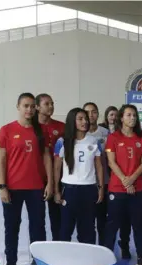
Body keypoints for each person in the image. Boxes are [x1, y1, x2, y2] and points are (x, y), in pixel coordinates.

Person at [0, 92, 53, 265]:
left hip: (36, 188)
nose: (29, 109)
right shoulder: (6, 130)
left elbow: (46, 158)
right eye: (25, 106)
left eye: (32, 106)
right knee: (11, 228)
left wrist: (50, 183)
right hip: (13, 188)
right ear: (18, 107)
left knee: (38, 229)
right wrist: (2, 186)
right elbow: (1, 160)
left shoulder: (41, 131)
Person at [104, 104, 142, 265]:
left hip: (137, 188)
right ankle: (106, 257)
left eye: (134, 115)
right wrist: (125, 180)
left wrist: (132, 180)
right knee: (112, 224)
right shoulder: (113, 137)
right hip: (117, 188)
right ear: (121, 118)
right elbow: (111, 161)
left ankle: (141, 257)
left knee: (138, 224)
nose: (132, 118)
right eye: (129, 115)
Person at [54, 108, 104, 245]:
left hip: (89, 189)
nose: (85, 121)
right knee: (66, 227)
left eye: (85, 119)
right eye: (80, 119)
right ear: (72, 121)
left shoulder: (93, 141)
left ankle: (87, 259)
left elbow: (99, 166)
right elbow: (57, 168)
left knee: (87, 228)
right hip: (69, 190)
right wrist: (57, 191)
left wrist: (100, 188)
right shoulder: (62, 141)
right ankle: (64, 259)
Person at [35, 93, 65, 241]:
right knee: (37, 220)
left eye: (52, 103)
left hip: (58, 177)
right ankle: (39, 253)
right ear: (37, 107)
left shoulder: (61, 127)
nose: (51, 107)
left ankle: (58, 248)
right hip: (37, 178)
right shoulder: (31, 127)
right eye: (47, 104)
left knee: (57, 218)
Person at [83, 102, 110, 246]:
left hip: (104, 181)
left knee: (103, 219)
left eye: (94, 112)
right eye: (87, 112)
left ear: (98, 114)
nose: (91, 115)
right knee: (88, 220)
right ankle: (90, 248)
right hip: (86, 183)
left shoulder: (105, 133)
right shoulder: (80, 133)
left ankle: (104, 248)